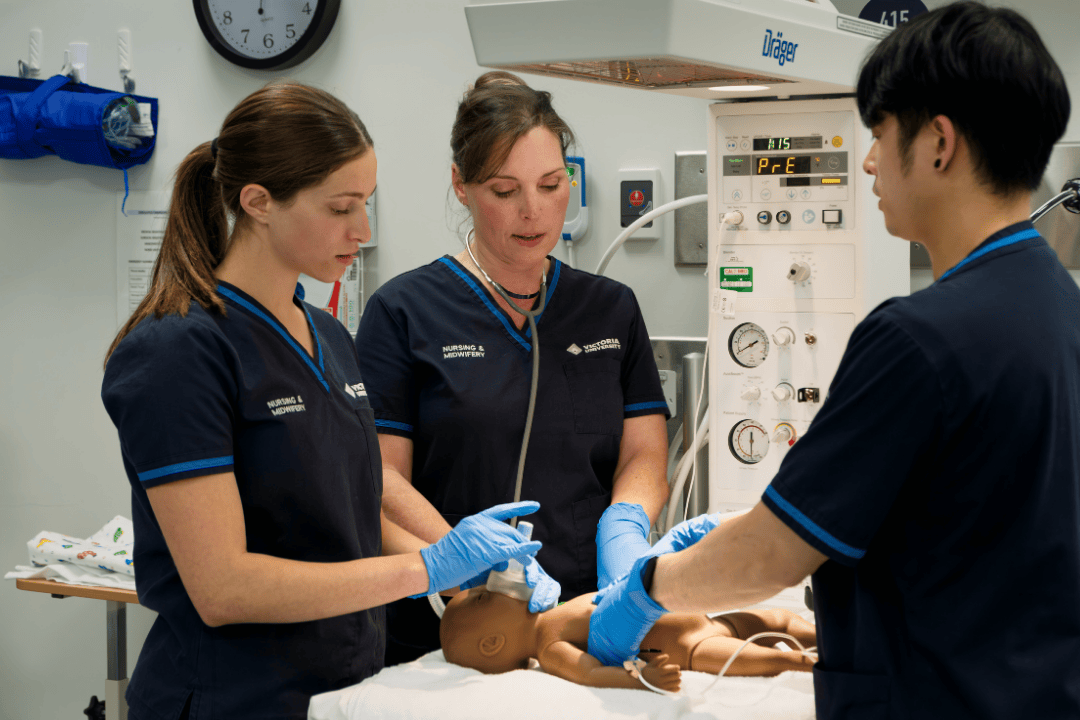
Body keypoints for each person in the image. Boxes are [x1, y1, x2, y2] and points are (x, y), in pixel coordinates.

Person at [586, 4, 1080, 719]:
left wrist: (645, 586)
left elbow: (771, 559)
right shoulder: (1059, 309)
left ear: (939, 144)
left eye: (880, 134)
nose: (870, 160)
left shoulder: (919, 339)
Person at [100, 82, 548, 720]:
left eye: (366, 203)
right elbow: (223, 588)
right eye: (341, 208)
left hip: (343, 688)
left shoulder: (330, 335)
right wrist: (425, 568)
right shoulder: (179, 351)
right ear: (258, 202)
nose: (362, 230)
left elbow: (351, 510)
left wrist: (468, 568)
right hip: (234, 697)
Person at [354, 71, 671, 664]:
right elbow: (379, 479)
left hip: (589, 619)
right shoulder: (404, 312)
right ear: (461, 186)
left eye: (552, 185)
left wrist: (624, 528)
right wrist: (463, 559)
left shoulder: (609, 309)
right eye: (505, 191)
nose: (533, 212)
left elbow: (645, 455)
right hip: (450, 627)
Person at [440, 586, 816, 691]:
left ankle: (827, 634)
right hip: (688, 648)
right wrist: (642, 678)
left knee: (778, 618)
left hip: (702, 617)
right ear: (493, 644)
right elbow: (589, 674)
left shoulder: (555, 608)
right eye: (483, 596)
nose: (490, 584)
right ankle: (803, 662)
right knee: (764, 656)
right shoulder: (550, 648)